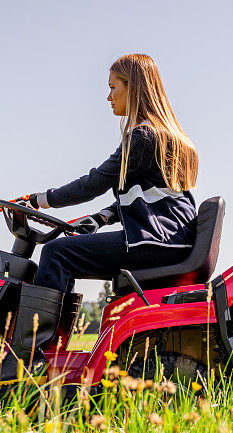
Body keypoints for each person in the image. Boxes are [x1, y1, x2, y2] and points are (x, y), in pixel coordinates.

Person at [16, 53, 199, 293]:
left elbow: (94, 183)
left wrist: (38, 200)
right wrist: (100, 218)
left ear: (133, 88)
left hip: (158, 240)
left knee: (56, 253)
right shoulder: (164, 134)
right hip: (173, 238)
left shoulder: (144, 137)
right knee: (63, 250)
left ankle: (37, 330)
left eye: (113, 87)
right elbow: (149, 197)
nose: (109, 97)